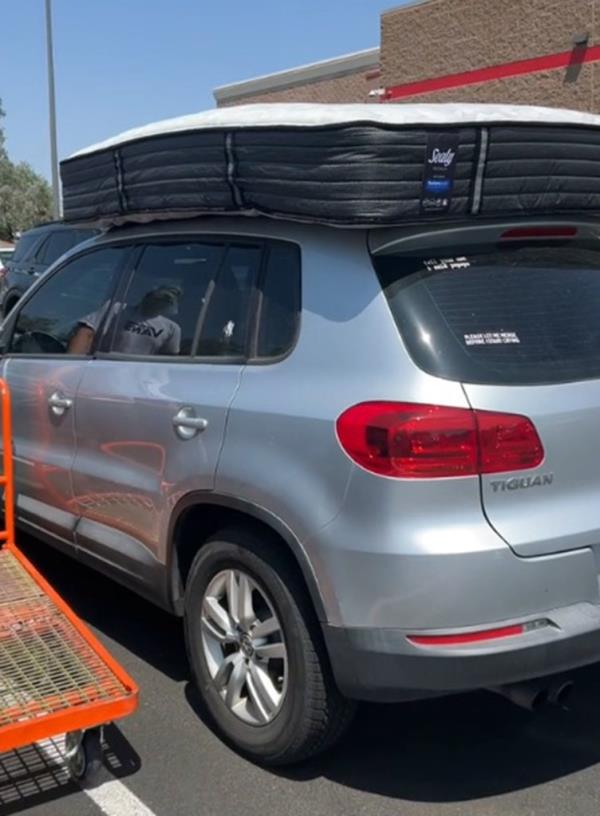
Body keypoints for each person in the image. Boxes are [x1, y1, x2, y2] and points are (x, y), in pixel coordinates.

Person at [68, 286, 182, 356]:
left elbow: (167, 358)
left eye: (166, 301)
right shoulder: (116, 308)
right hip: (102, 367)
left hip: (141, 381)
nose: (158, 303)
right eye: (157, 298)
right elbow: (86, 332)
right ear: (147, 296)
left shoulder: (172, 328)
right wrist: (69, 365)